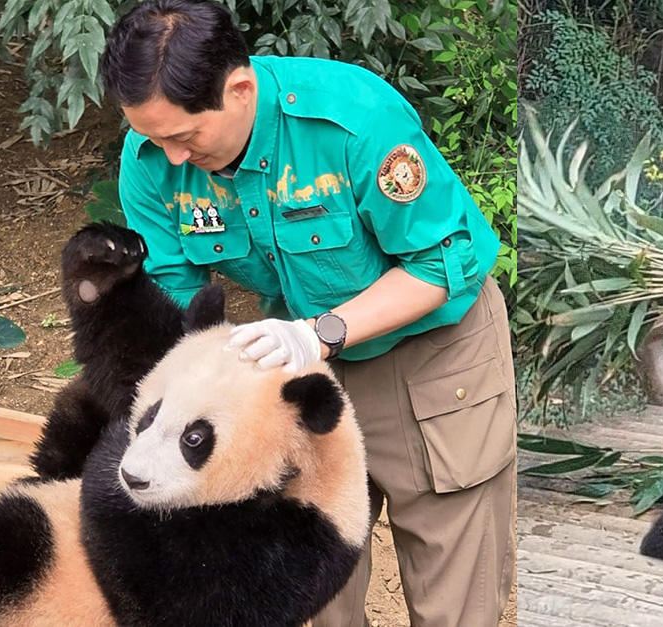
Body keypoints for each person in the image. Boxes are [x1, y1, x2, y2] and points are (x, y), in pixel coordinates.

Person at [99, 1, 517, 624]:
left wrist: (320, 332)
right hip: (291, 370)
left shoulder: (352, 121)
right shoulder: (152, 159)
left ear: (239, 88)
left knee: (458, 596)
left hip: (432, 357)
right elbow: (176, 294)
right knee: (310, 590)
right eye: (152, 136)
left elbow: (440, 264)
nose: (171, 156)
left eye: (183, 136)